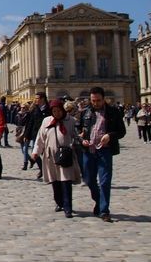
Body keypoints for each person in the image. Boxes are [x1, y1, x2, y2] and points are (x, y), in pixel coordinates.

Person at [79, 86, 126, 222]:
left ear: (104, 99)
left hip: (105, 150)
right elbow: (79, 131)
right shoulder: (85, 112)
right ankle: (99, 201)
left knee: (105, 181)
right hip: (89, 151)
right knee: (89, 180)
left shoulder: (113, 112)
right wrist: (82, 139)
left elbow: (121, 131)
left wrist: (110, 135)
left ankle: (104, 210)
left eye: (98, 100)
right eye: (93, 100)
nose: (95, 103)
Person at [31, 99, 81, 218]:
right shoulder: (47, 121)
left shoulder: (70, 120)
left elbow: (75, 135)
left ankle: (68, 207)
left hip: (66, 154)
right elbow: (40, 137)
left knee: (66, 181)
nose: (57, 113)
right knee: (55, 181)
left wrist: (80, 141)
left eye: (59, 111)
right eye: (54, 111)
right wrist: (36, 152)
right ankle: (59, 202)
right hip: (51, 155)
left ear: (63, 110)